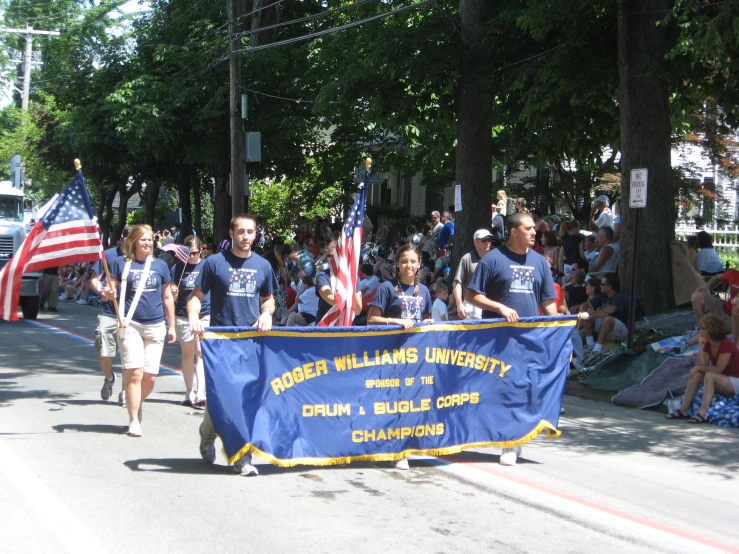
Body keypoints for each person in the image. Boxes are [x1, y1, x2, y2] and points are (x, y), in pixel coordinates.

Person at [188, 213, 277, 476]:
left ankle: (243, 457)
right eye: (241, 232)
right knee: (221, 400)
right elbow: (195, 298)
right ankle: (207, 436)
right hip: (220, 343)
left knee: (246, 399)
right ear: (231, 233)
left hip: (251, 342)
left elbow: (269, 299)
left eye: (251, 232)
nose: (246, 236)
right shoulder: (214, 263)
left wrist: (266, 313)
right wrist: (194, 317)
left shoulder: (263, 265)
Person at [466, 211, 557, 467]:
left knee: (524, 388)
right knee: (500, 389)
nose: (534, 232)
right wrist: (499, 307)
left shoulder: (539, 262)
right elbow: (473, 295)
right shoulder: (493, 260)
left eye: (534, 229)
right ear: (514, 231)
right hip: (498, 339)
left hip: (529, 339)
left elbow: (548, 303)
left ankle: (513, 439)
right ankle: (503, 437)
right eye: (528, 228)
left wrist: (562, 335)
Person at [101, 224, 176, 437]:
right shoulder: (120, 264)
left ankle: (137, 401)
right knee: (135, 373)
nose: (147, 243)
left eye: (150, 240)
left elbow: (167, 297)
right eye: (143, 239)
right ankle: (134, 420)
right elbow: (109, 290)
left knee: (150, 377)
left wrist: (172, 325)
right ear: (133, 241)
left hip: (155, 325)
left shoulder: (161, 266)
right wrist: (107, 292)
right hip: (130, 324)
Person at [368, 242, 432, 470]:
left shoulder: (424, 291)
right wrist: (396, 321)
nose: (409, 265)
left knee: (412, 402)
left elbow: (425, 317)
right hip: (391, 355)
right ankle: (396, 450)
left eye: (413, 262)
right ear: (397, 263)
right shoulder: (387, 287)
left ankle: (408, 445)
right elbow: (372, 319)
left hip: (416, 357)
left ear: (419, 264)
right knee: (394, 402)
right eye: (404, 261)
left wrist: (427, 323)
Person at [666, 312, 739, 424]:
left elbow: (718, 369)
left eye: (703, 328)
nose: (700, 330)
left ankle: (703, 412)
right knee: (696, 374)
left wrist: (698, 367)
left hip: (735, 381)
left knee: (709, 375)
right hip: (722, 379)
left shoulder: (726, 344)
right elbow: (703, 364)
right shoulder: (708, 343)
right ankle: (683, 409)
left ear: (711, 330)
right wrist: (701, 346)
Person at [90, 225, 131, 404]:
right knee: (103, 349)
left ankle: (125, 390)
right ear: (124, 239)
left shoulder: (141, 258)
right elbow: (94, 279)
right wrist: (101, 292)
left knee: (128, 355)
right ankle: (109, 377)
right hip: (109, 312)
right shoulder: (108, 255)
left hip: (130, 314)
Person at [171, 236, 209, 407]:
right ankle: (189, 391)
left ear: (201, 251)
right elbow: (170, 296)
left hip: (205, 313)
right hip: (183, 314)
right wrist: (173, 292)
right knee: (188, 354)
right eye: (189, 253)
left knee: (201, 352)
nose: (192, 256)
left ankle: (201, 392)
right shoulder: (178, 268)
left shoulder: (207, 266)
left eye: (195, 253)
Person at [578, 273, 629, 362]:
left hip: (621, 332)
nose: (600, 286)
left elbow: (609, 311)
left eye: (602, 284)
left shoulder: (620, 297)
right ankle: (590, 344)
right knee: (587, 313)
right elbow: (585, 304)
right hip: (606, 329)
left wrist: (590, 317)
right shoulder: (603, 296)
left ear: (609, 286)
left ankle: (597, 350)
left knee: (607, 318)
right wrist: (583, 313)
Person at [451, 229, 495, 320]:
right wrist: (459, 304)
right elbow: (457, 283)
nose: (488, 243)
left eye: (489, 240)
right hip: (471, 305)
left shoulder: (494, 259)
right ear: (476, 242)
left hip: (491, 303)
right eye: (484, 240)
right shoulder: (467, 259)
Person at [690, 269, 739, 343]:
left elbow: (735, 301)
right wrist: (706, 287)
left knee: (714, 329)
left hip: (734, 319)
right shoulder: (733, 273)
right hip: (723, 309)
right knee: (697, 295)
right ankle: (700, 328)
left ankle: (687, 343)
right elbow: (716, 277)